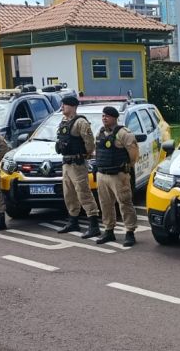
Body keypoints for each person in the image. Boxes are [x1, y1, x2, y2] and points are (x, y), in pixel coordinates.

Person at [54, 95, 101, 238]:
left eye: (64, 105)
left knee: (84, 193)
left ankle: (94, 225)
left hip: (77, 164)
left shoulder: (81, 122)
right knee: (69, 194)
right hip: (66, 163)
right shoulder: (64, 121)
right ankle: (73, 221)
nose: (62, 107)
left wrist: (84, 154)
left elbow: (90, 144)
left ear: (72, 106)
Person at [93, 105, 139, 247]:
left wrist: (126, 168)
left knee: (125, 203)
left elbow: (134, 154)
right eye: (103, 116)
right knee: (105, 204)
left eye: (107, 116)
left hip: (118, 175)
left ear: (114, 118)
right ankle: (109, 230)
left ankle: (130, 232)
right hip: (102, 173)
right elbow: (97, 152)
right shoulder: (100, 132)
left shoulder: (124, 133)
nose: (104, 118)